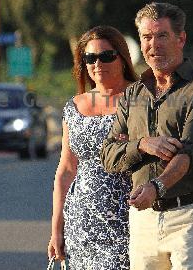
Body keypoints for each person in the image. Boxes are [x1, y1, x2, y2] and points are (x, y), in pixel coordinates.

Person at [100, 2, 193, 270]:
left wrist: (157, 186)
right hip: (143, 219)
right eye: (146, 37)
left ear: (181, 39)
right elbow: (109, 155)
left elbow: (189, 152)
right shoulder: (133, 94)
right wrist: (143, 144)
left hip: (191, 215)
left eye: (162, 36)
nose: (153, 44)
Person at [48, 26, 138, 269]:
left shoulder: (142, 98)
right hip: (81, 224)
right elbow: (66, 170)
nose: (98, 63)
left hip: (128, 220)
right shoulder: (74, 107)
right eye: (90, 58)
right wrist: (57, 229)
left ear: (121, 58)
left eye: (106, 56)